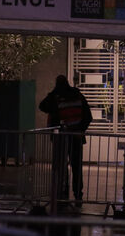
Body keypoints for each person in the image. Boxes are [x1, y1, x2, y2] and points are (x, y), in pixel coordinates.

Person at [39, 74, 92, 203]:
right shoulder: (78, 95)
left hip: (61, 138)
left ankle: (63, 192)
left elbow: (42, 106)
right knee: (76, 166)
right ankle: (78, 194)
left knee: (61, 166)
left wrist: (53, 93)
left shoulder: (55, 97)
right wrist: (80, 130)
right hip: (76, 138)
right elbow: (88, 117)